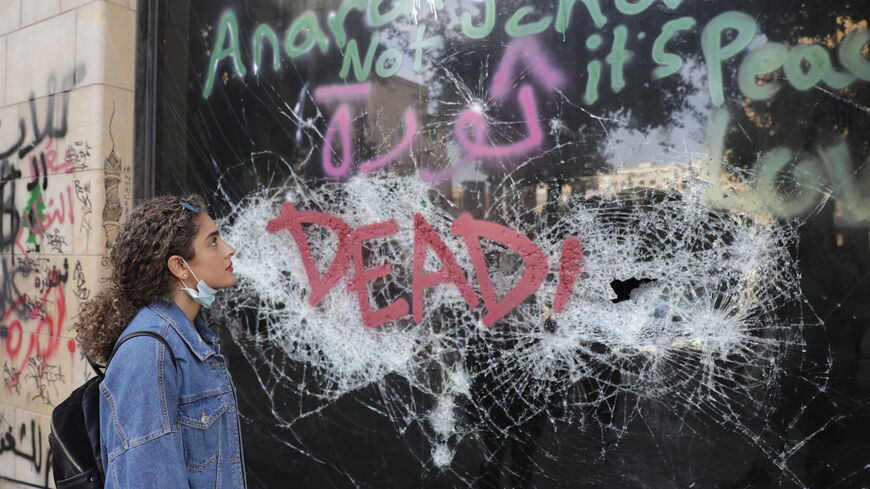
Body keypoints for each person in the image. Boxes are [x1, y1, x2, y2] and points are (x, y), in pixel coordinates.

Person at [73, 195, 247, 488]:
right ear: (180, 266)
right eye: (213, 242)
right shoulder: (147, 353)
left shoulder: (193, 338)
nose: (229, 250)